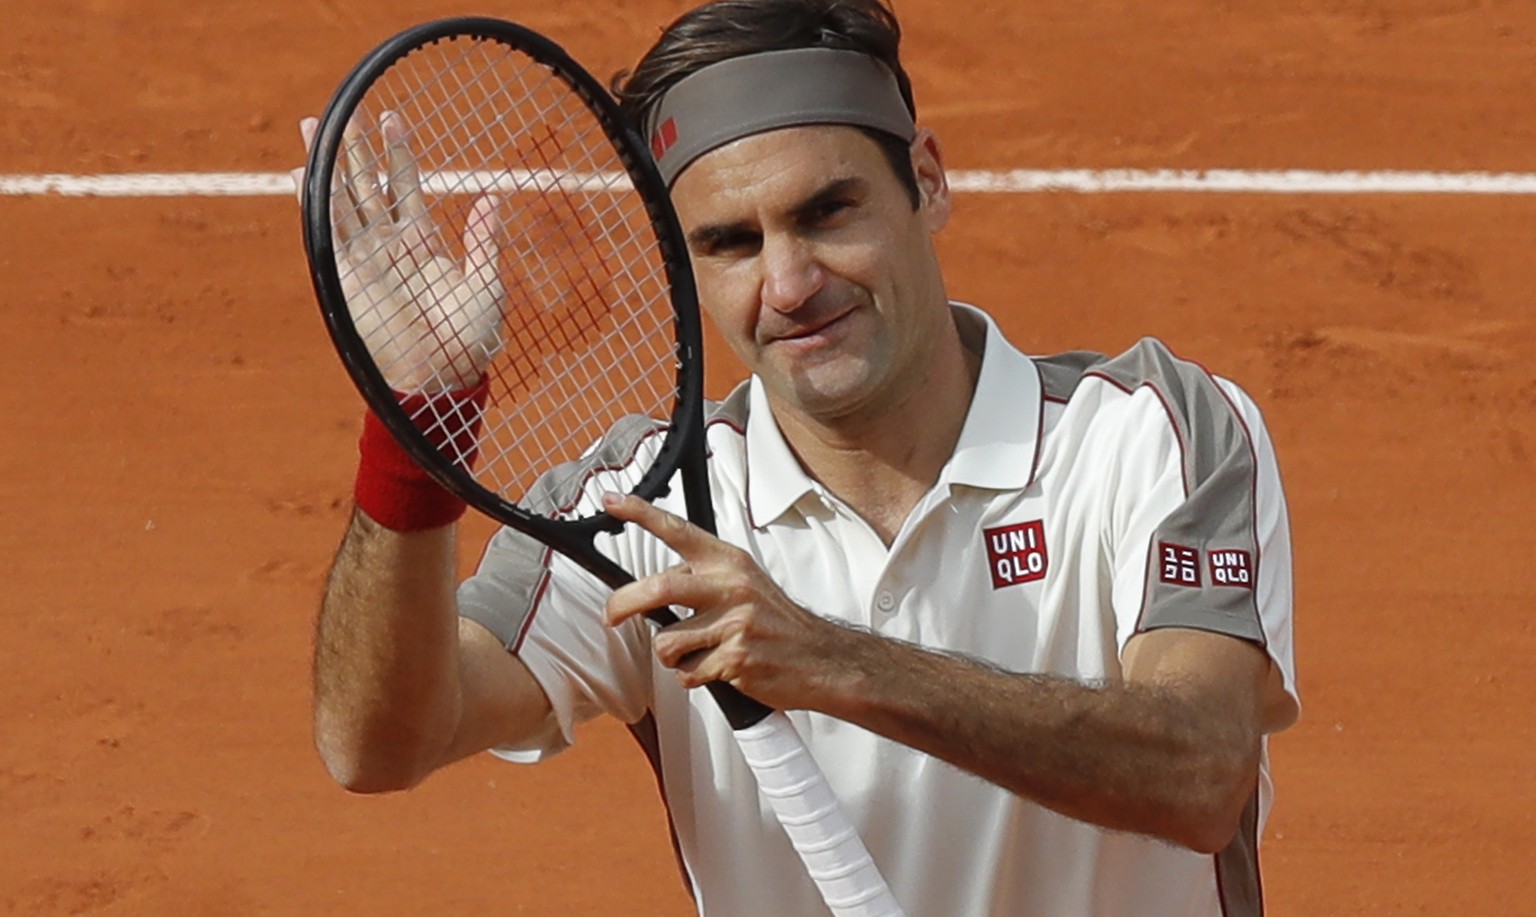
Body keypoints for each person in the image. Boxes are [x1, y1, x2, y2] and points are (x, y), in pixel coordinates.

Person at [303, 0, 1300, 914]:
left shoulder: (1147, 434)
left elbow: (1200, 769)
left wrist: (830, 659)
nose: (788, 283)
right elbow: (382, 740)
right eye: (732, 241)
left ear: (929, 181)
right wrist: (416, 425)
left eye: (828, 211)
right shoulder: (637, 505)